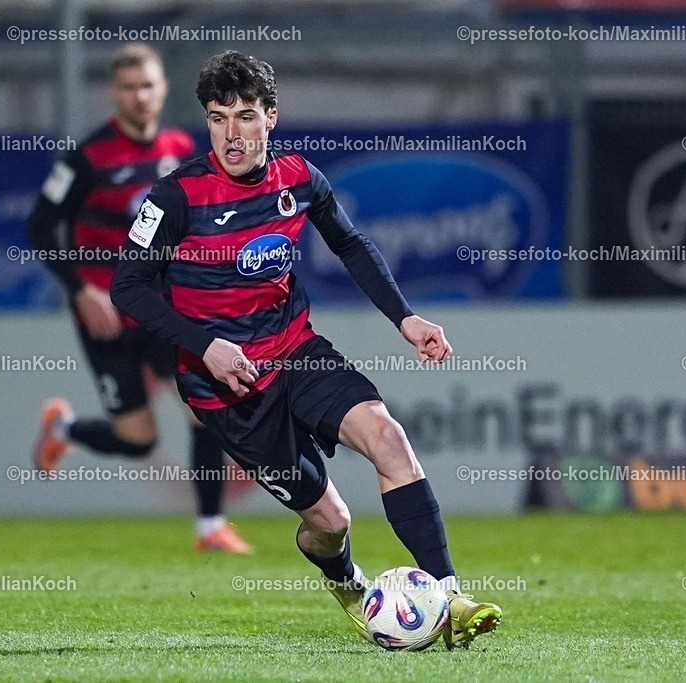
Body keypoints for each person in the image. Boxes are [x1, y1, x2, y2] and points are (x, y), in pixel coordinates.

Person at [109, 50, 501, 648]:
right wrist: (204, 346)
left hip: (296, 351)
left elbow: (351, 243)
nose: (231, 135)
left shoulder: (298, 179)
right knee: (329, 523)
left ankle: (450, 596)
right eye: (217, 119)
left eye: (244, 117)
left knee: (387, 437)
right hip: (228, 389)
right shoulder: (176, 197)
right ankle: (348, 584)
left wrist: (405, 318)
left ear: (271, 117)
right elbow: (126, 286)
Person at [28, 43, 251, 554]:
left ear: (163, 88)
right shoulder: (87, 157)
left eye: (148, 85)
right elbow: (40, 225)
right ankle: (62, 427)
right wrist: (81, 290)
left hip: (162, 309)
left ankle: (210, 527)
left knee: (206, 408)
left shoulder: (179, 148)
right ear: (114, 93)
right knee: (138, 440)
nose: (140, 96)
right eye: (129, 87)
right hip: (105, 313)